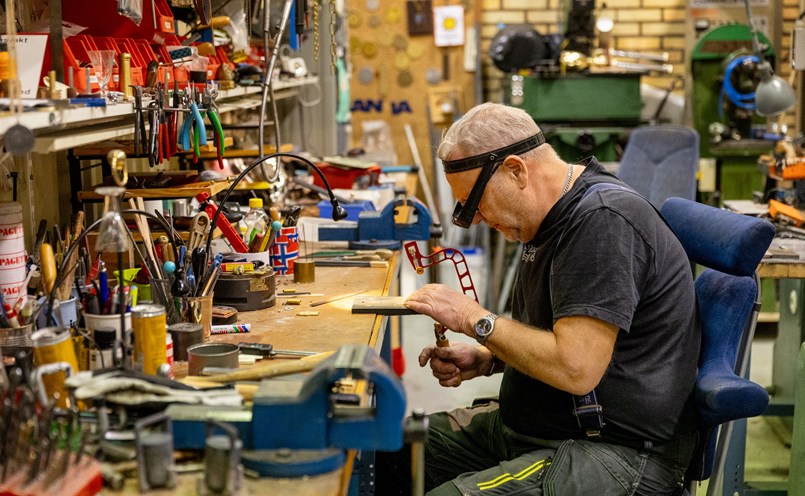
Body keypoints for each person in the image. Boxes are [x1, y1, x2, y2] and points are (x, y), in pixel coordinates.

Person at [375, 103, 700, 495]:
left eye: (476, 202)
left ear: (516, 170)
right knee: (387, 448)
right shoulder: (545, 223)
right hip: (540, 426)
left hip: (612, 452)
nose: (474, 218)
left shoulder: (603, 222)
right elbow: (555, 333)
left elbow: (576, 368)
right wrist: (492, 356)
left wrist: (476, 320)